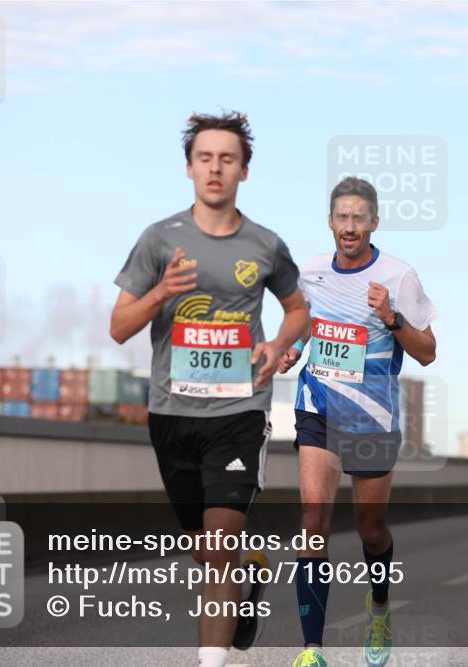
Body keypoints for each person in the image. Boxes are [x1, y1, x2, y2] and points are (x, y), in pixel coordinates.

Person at [110, 111, 310, 667]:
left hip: (240, 410)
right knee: (206, 550)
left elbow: (298, 311)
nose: (215, 168)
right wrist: (159, 294)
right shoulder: (159, 239)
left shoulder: (266, 245)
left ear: (244, 171)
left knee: (217, 549)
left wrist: (276, 347)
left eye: (227, 158)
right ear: (189, 168)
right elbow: (120, 326)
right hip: (172, 412)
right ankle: (252, 572)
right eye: (205, 158)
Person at [278, 177, 438, 667]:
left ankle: (379, 607)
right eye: (341, 217)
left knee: (371, 530)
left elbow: (428, 353)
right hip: (318, 406)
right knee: (312, 523)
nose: (350, 227)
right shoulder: (308, 272)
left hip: (372, 418)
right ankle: (312, 651)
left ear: (373, 223)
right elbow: (306, 323)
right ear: (330, 222)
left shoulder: (399, 275)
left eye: (359, 218)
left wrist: (391, 317)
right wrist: (294, 349)